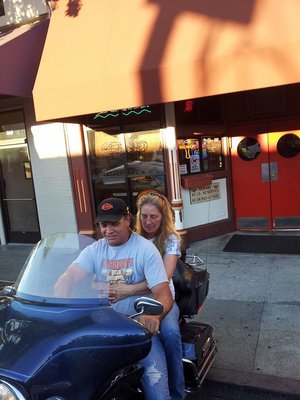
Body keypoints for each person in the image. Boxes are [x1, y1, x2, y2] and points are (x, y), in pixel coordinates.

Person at [54, 197, 174, 400]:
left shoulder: (145, 249)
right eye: (103, 225)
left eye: (114, 223)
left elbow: (164, 293)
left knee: (158, 395)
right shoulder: (95, 250)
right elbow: (69, 276)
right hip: (103, 327)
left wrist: (154, 316)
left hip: (137, 327)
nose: (108, 230)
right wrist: (60, 296)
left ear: (127, 220)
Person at [109, 190, 185, 400]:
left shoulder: (170, 239)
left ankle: (177, 392)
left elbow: (164, 277)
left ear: (163, 217)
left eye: (154, 217)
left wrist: (128, 289)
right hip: (133, 301)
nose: (149, 221)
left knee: (170, 334)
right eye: (144, 216)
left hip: (163, 299)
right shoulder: (131, 237)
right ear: (137, 216)